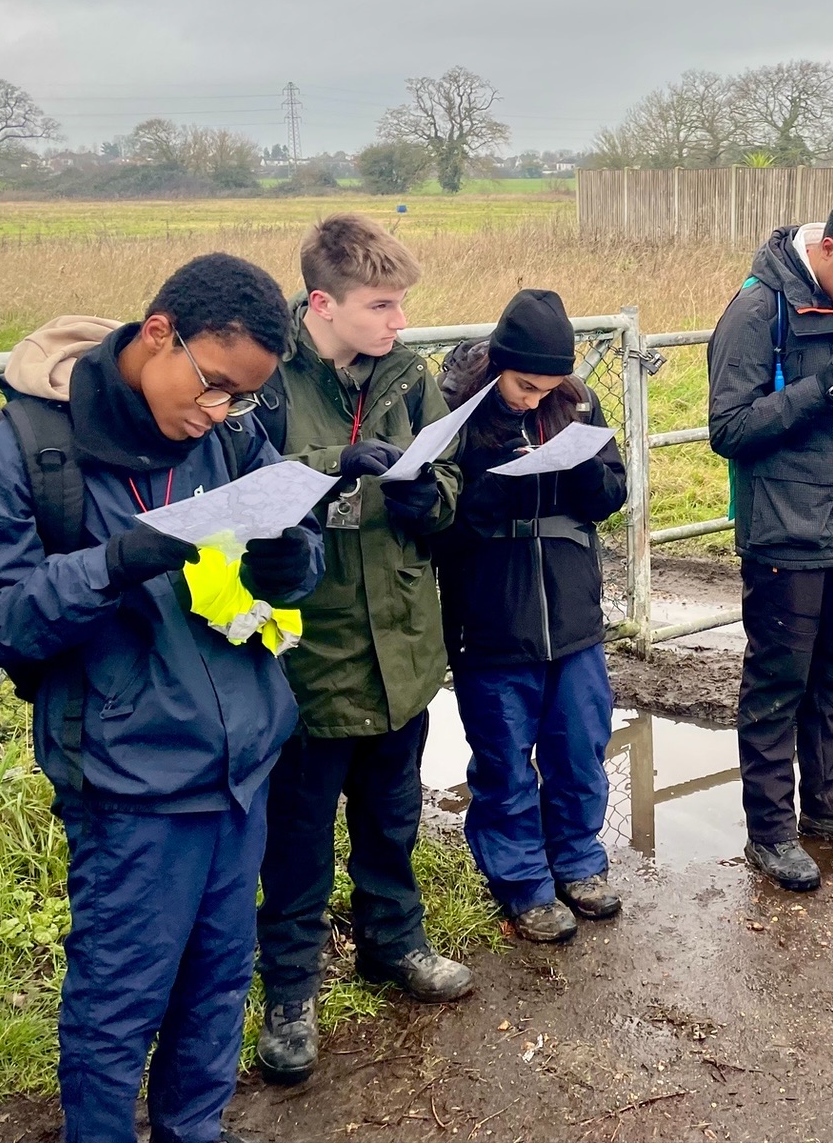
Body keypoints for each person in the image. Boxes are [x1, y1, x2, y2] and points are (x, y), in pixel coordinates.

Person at [0, 255, 323, 1143]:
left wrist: (293, 561)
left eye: (242, 399)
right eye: (213, 384)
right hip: (130, 784)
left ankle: (194, 1130)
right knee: (119, 1004)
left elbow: (294, 534)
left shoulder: (226, 439)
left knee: (219, 983)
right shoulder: (25, 453)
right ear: (158, 334)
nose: (219, 411)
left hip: (242, 771)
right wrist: (112, 565)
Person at [255, 215, 473, 1088]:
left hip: (402, 647)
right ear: (323, 304)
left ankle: (394, 942)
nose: (398, 321)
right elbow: (242, 489)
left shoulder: (408, 376)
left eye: (401, 304)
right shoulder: (267, 379)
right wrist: (333, 463)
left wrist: (431, 500)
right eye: (381, 305)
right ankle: (290, 991)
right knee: (298, 839)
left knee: (392, 817)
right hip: (310, 653)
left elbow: (447, 476)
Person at [707, 190, 833, 891]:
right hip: (785, 531)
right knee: (777, 685)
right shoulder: (757, 310)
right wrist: (822, 385)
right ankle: (770, 832)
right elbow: (729, 429)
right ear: (829, 248)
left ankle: (829, 803)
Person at [435, 289, 629, 944]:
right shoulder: (455, 414)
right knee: (505, 762)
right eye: (524, 386)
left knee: (580, 748)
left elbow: (612, 492)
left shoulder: (579, 403)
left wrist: (584, 471)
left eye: (547, 388)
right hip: (492, 618)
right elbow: (439, 524)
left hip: (573, 614)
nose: (533, 399)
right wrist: (495, 486)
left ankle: (578, 861)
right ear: (498, 365)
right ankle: (523, 884)